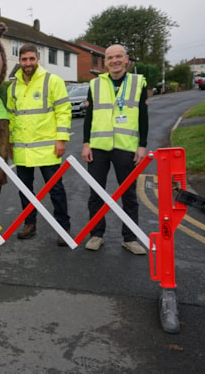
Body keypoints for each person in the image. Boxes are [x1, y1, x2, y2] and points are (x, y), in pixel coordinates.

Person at [81, 44, 148, 255]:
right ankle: (96, 235)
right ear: (105, 61)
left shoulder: (138, 82)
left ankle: (130, 238)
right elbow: (89, 116)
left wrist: (142, 145)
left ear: (126, 59)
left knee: (128, 195)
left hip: (126, 147)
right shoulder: (95, 83)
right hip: (98, 147)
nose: (115, 61)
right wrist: (85, 143)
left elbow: (144, 116)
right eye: (110, 58)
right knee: (96, 194)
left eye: (118, 57)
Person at [6, 43, 72, 245]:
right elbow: (11, 116)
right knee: (25, 189)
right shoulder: (13, 86)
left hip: (47, 148)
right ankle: (30, 224)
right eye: (24, 59)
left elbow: (63, 111)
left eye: (31, 59)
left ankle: (63, 228)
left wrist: (61, 140)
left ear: (38, 59)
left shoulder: (53, 81)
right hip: (22, 149)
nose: (28, 63)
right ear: (19, 61)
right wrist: (9, 141)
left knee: (56, 189)